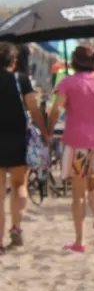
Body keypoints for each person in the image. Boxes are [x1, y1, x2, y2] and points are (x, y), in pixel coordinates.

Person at [47, 45, 94, 252]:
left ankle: (79, 241)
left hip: (76, 141)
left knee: (78, 194)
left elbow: (56, 109)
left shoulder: (67, 83)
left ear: (74, 62)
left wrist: (49, 130)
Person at [0, 43, 48, 252]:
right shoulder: (21, 80)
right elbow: (33, 108)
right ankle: (16, 228)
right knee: (20, 185)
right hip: (19, 139)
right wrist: (45, 130)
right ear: (14, 61)